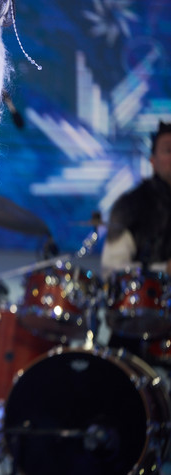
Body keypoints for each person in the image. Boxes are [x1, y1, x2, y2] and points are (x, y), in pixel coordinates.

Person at [100, 120, 171, 356]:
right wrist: (163, 270)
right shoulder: (130, 206)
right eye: (168, 150)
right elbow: (112, 270)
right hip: (138, 329)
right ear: (152, 160)